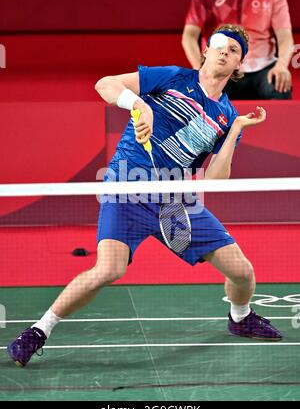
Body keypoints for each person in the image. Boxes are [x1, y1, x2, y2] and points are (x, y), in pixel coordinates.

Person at [7, 24, 281, 368]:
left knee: (243, 273)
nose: (224, 51)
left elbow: (214, 178)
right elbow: (104, 84)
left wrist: (236, 130)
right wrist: (139, 104)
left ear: (240, 64)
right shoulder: (172, 78)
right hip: (127, 187)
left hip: (174, 200)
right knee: (109, 268)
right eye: (218, 46)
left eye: (233, 49)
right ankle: (39, 330)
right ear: (205, 52)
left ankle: (240, 317)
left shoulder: (226, 116)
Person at [182, 0, 294, 99]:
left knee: (280, 87)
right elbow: (189, 36)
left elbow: (285, 37)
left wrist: (281, 65)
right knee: (200, 94)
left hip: (262, 69)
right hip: (220, 66)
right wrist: (199, 69)